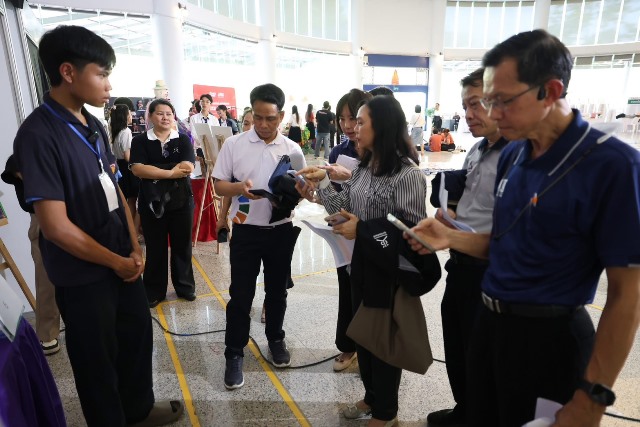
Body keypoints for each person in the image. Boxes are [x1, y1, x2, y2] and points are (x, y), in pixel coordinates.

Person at [407, 29, 640, 427]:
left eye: (502, 101)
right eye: (488, 101)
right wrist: (451, 237)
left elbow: (627, 294)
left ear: (550, 91)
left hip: (550, 341)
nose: (493, 114)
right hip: (490, 326)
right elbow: (507, 244)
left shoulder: (613, 166)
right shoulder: (515, 154)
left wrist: (593, 396)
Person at [12, 25, 183, 426]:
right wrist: (114, 261)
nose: (109, 85)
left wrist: (134, 244)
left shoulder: (93, 125)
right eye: (102, 74)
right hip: (84, 272)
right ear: (68, 72)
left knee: (136, 336)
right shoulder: (38, 135)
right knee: (96, 359)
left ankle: (137, 410)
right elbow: (55, 227)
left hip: (120, 257)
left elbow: (114, 186)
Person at [298, 95, 426, 426]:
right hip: (360, 266)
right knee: (364, 338)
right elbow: (344, 206)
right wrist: (322, 183)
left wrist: (363, 230)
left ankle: (386, 412)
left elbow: (412, 233)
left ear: (381, 126)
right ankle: (371, 396)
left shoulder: (408, 175)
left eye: (360, 121)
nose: (354, 127)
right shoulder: (364, 168)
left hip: (389, 274)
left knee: (383, 344)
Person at [426, 67, 508, 427]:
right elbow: (470, 200)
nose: (468, 115)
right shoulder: (477, 150)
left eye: (476, 104)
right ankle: (466, 408)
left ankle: (481, 415)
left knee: (483, 355)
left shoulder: (517, 155)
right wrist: (450, 215)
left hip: (488, 271)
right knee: (458, 346)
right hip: (459, 265)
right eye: (465, 107)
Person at [213, 83, 306, 390]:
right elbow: (219, 185)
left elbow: (303, 189)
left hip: (280, 230)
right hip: (246, 230)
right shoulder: (234, 144)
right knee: (241, 295)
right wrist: (239, 188)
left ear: (281, 116)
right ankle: (234, 353)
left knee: (277, 291)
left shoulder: (292, 149)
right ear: (251, 112)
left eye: (271, 118)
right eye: (259, 117)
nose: (264, 124)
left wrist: (293, 196)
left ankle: (276, 339)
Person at [130, 99, 196, 308]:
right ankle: (154, 291)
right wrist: (170, 172)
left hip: (181, 201)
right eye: (160, 113)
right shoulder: (140, 141)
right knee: (155, 247)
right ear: (150, 116)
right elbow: (138, 169)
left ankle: (185, 287)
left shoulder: (183, 139)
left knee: (182, 246)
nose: (165, 117)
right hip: (151, 202)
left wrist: (154, 170)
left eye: (169, 113)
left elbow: (187, 167)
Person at [326, 89, 372, 372]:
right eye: (341, 119)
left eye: (354, 119)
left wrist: (351, 176)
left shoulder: (387, 157)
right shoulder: (338, 151)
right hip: (345, 233)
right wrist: (319, 189)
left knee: (372, 297)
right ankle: (348, 346)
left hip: (374, 237)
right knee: (347, 288)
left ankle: (374, 355)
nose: (348, 125)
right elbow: (337, 197)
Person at [1, 158, 61, 356]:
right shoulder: (26, 152)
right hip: (43, 215)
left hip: (74, 211)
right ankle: (48, 332)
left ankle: (84, 323)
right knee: (45, 278)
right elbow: (14, 170)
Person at [109, 104, 141, 242]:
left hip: (118, 167)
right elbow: (128, 156)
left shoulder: (113, 131)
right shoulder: (126, 131)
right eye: (129, 114)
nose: (131, 116)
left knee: (125, 200)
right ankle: (133, 231)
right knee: (133, 200)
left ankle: (127, 230)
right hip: (128, 168)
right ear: (124, 116)